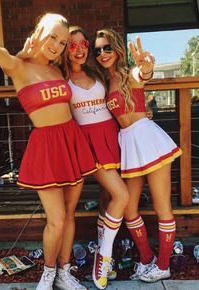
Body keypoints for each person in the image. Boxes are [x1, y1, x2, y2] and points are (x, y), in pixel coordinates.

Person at [0, 2, 98, 290]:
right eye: (53, 36)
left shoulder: (58, 70)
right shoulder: (19, 66)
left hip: (71, 141)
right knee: (55, 219)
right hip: (46, 146)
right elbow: (1, 56)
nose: (57, 45)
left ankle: (65, 272)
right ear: (39, 32)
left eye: (62, 41)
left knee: (69, 215)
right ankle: (48, 273)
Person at [93, 28, 182, 283]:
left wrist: (146, 67)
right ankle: (146, 259)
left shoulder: (126, 73)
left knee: (161, 205)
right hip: (128, 145)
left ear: (118, 49)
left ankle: (163, 265)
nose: (102, 54)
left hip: (147, 139)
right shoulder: (103, 81)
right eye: (98, 50)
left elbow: (141, 74)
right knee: (129, 208)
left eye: (107, 48)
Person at [62, 26, 129, 290]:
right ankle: (104, 256)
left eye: (83, 44)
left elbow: (117, 96)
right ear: (66, 50)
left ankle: (103, 251)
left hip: (112, 137)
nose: (79, 50)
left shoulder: (96, 72)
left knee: (108, 198)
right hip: (88, 144)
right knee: (121, 195)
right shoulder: (60, 79)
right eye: (72, 45)